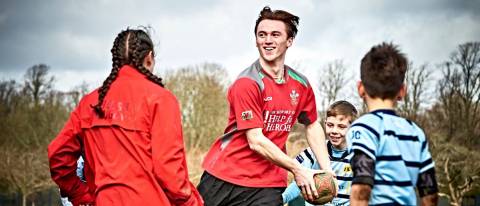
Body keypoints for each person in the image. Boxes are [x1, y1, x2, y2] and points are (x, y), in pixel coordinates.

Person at [48, 28, 203, 206]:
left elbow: (58, 156)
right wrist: (192, 202)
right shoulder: (160, 99)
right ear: (150, 57)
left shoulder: (89, 103)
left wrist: (81, 195)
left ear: (116, 59)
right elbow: (170, 172)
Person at [198, 6, 334, 206]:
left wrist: (327, 170)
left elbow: (312, 125)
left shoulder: (301, 84)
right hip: (225, 178)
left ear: (289, 41)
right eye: (262, 35)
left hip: (267, 185)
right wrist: (298, 169)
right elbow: (256, 140)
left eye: (275, 34)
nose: (267, 40)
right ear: (256, 41)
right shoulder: (247, 83)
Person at [346, 42, 438, 205]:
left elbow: (361, 188)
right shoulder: (416, 132)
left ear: (360, 88)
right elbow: (430, 192)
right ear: (402, 91)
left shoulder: (363, 129)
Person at [283, 100, 358, 206]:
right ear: (325, 124)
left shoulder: (359, 155)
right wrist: (282, 199)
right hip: (316, 204)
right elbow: (298, 181)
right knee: (295, 202)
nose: (334, 131)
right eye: (330, 125)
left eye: (341, 126)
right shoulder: (316, 150)